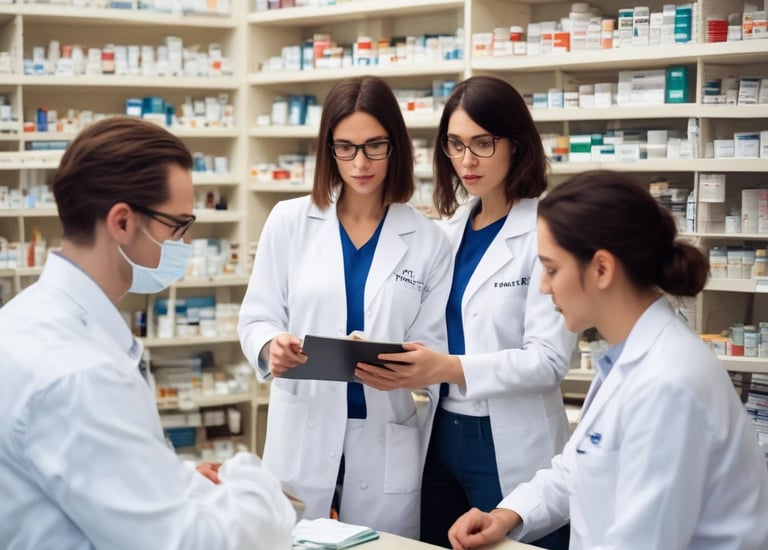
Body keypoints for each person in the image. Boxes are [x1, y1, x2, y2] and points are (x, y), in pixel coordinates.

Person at [0, 116, 296, 549]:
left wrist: (161, 482)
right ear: (122, 222)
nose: (184, 243)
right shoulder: (81, 373)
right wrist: (251, 481)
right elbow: (188, 543)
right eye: (177, 226)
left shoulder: (21, 317)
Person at [448, 170, 768, 550]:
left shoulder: (667, 383)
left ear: (601, 269)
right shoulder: (629, 356)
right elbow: (581, 464)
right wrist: (507, 515)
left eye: (551, 269)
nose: (544, 286)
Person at [355, 75, 575, 549]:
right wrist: (384, 353)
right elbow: (432, 330)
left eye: (483, 144)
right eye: (455, 145)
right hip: (440, 435)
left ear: (516, 144)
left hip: (506, 442)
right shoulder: (448, 233)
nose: (467, 161)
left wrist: (448, 367)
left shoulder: (546, 231)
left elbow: (549, 361)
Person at [238, 75, 453, 538]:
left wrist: (409, 365)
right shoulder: (290, 221)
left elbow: (434, 346)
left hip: (383, 435)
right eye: (346, 148)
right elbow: (257, 316)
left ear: (395, 147)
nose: (360, 162)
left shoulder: (428, 241)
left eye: (375, 146)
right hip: (303, 427)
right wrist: (270, 346)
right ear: (328, 150)